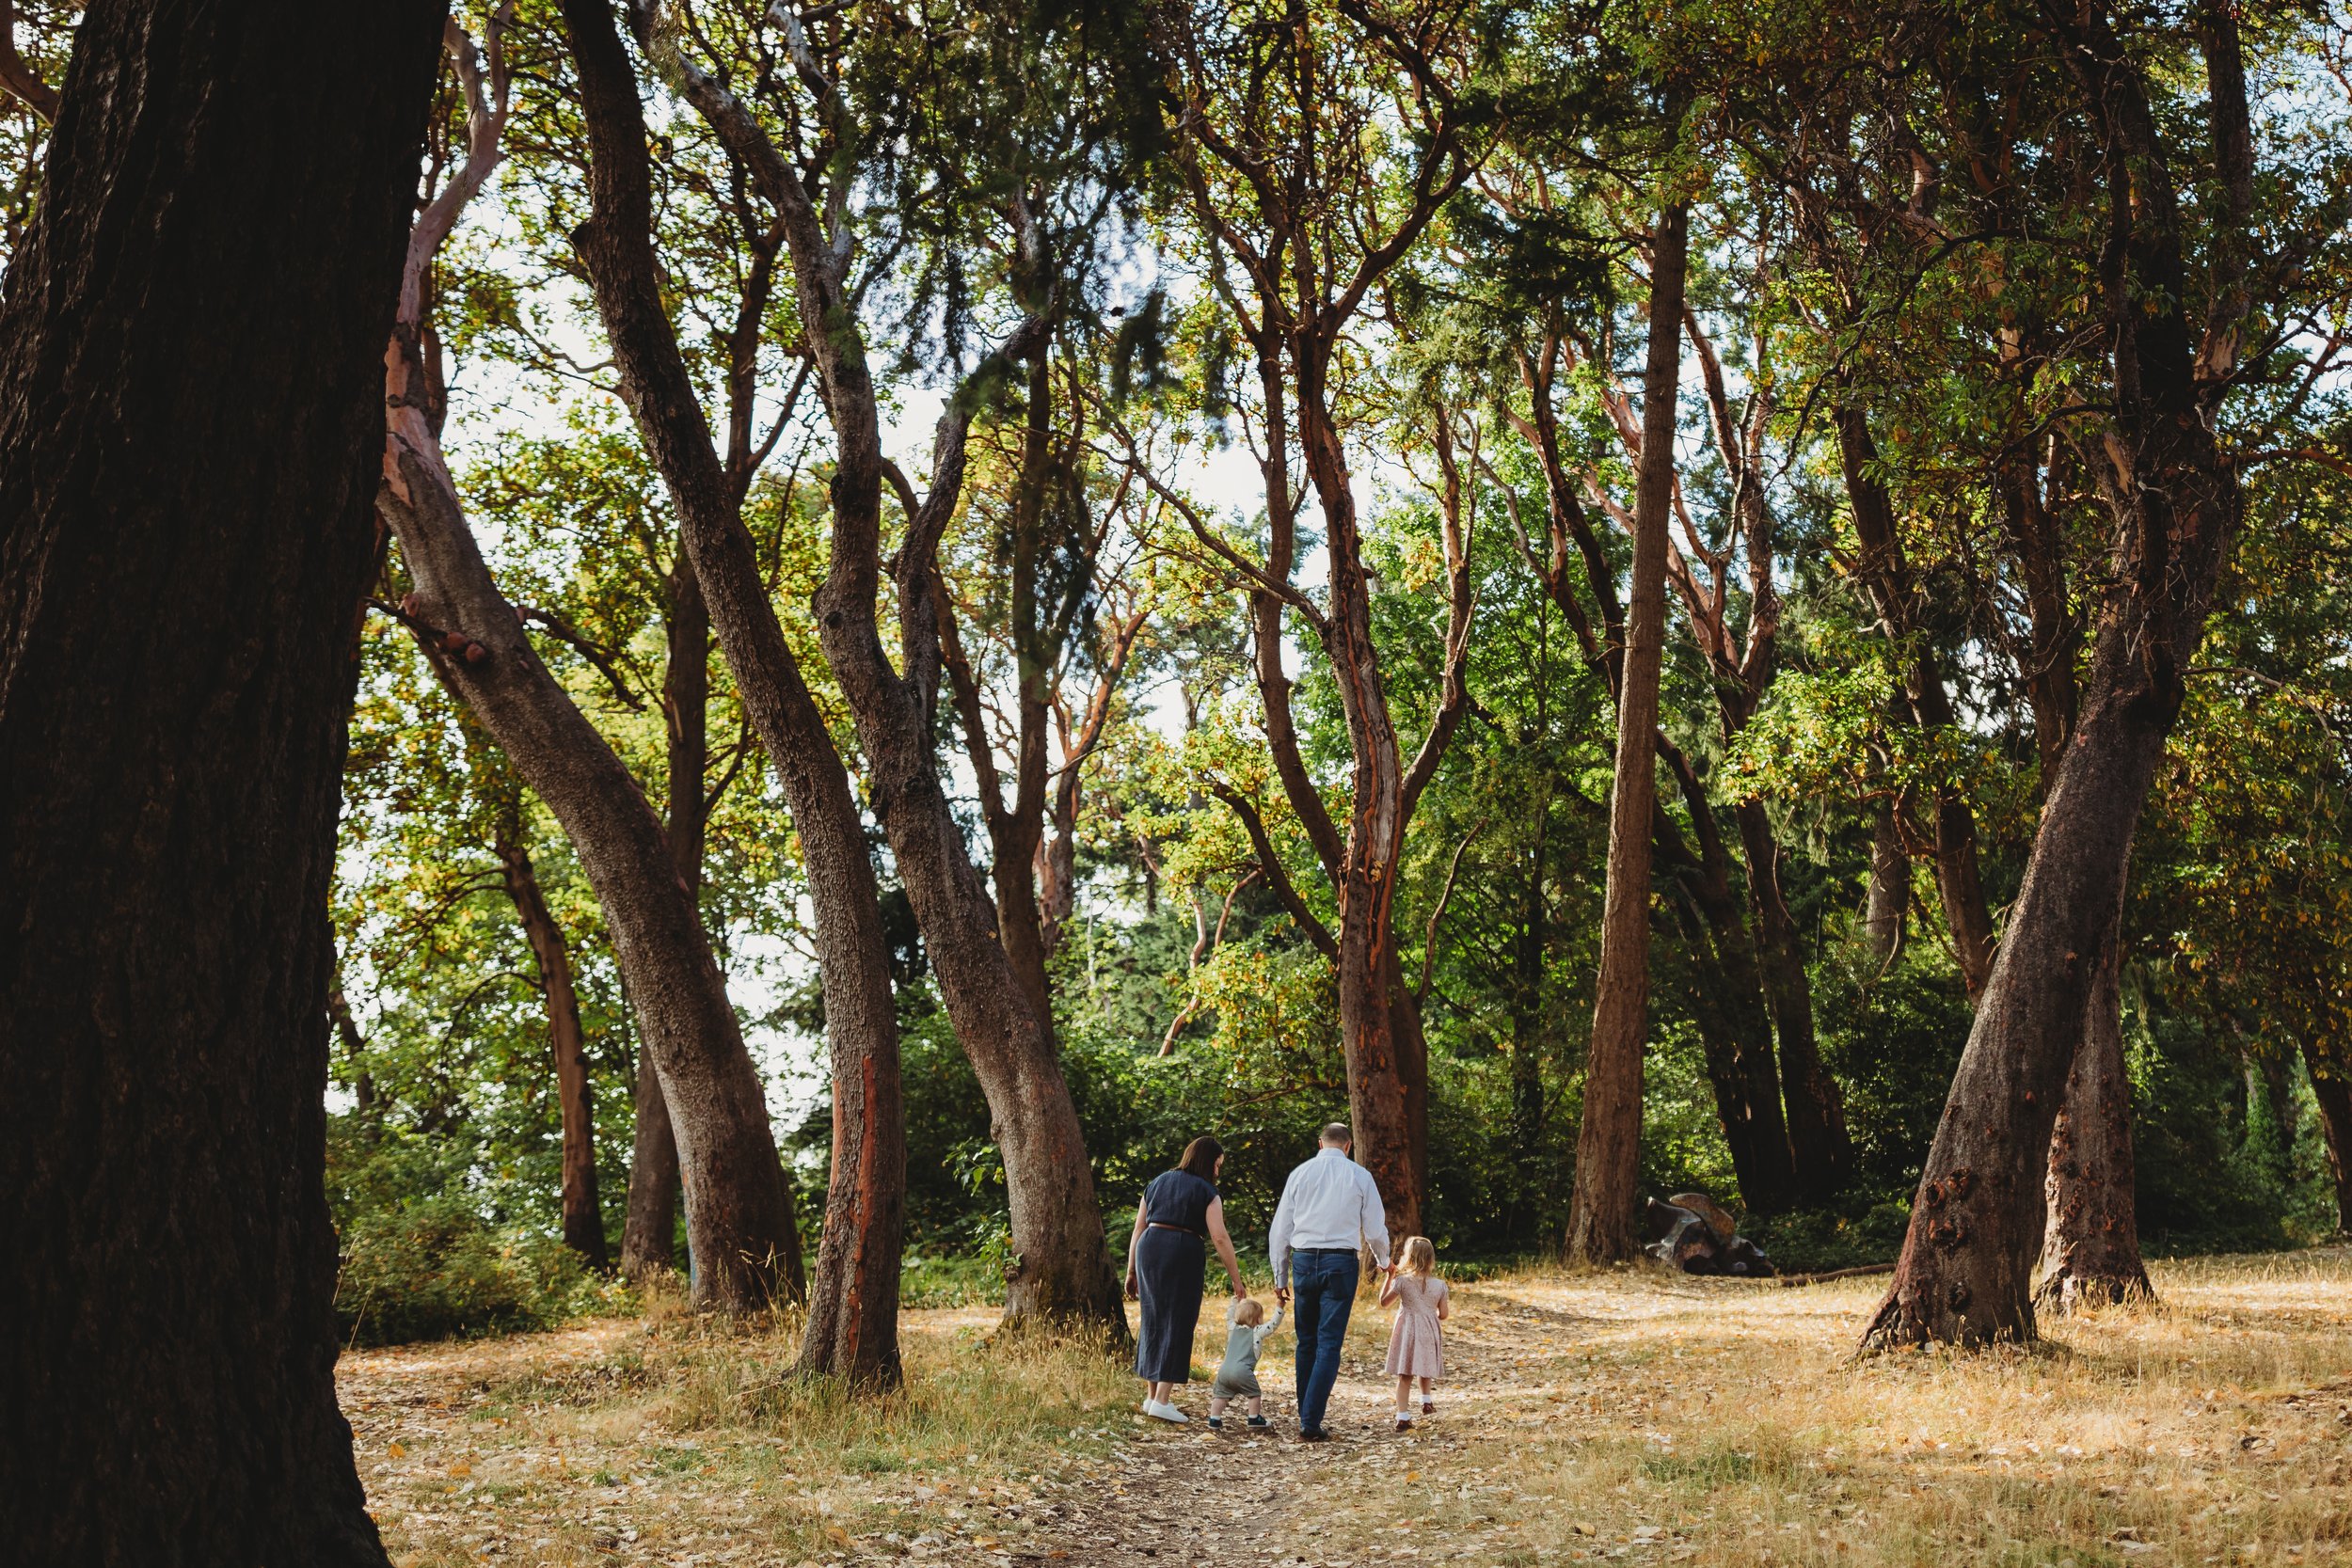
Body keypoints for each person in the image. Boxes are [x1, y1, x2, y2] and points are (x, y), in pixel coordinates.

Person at [1267, 1122, 1391, 1442]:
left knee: (1306, 1340)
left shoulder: (1300, 1174)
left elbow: (1280, 1229)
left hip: (1305, 1261)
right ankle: (1310, 1419)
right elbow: (1375, 1229)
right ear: (1348, 1146)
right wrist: (1384, 1261)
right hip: (1340, 1262)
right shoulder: (1360, 1176)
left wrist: (1280, 1276)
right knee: (1328, 1343)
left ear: (1320, 1144)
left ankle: (1305, 1413)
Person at [1125, 1134, 1245, 1423]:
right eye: (1218, 1165)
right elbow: (1219, 1236)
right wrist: (1236, 1280)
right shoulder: (1207, 1191)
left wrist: (1130, 1270)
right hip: (1182, 1249)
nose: (1218, 1171)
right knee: (1179, 1320)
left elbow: (1138, 1228)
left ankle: (1152, 1397)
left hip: (1149, 1246)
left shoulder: (1157, 1182)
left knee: (1153, 1317)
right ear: (1208, 1162)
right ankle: (1163, 1400)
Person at [1379, 1235, 1448, 1431]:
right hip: (1429, 1330)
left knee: (1405, 1374)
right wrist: (1430, 1310)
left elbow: (1384, 1303)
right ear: (1430, 1259)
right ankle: (1426, 1401)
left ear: (1409, 1257)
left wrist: (1389, 1277)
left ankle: (1403, 1416)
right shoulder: (1440, 1286)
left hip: (1408, 1330)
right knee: (1424, 1364)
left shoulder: (1401, 1282)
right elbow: (1443, 1314)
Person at [1207, 1295, 1284, 1431]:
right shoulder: (1257, 1332)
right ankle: (1254, 1417)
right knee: (1254, 1394)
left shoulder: (1232, 1328)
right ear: (1257, 1319)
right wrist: (1279, 1308)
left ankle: (1214, 1419)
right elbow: (1272, 1325)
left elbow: (1229, 1315)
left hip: (1224, 1371)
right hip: (1242, 1371)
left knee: (1221, 1396)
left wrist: (1234, 1301)